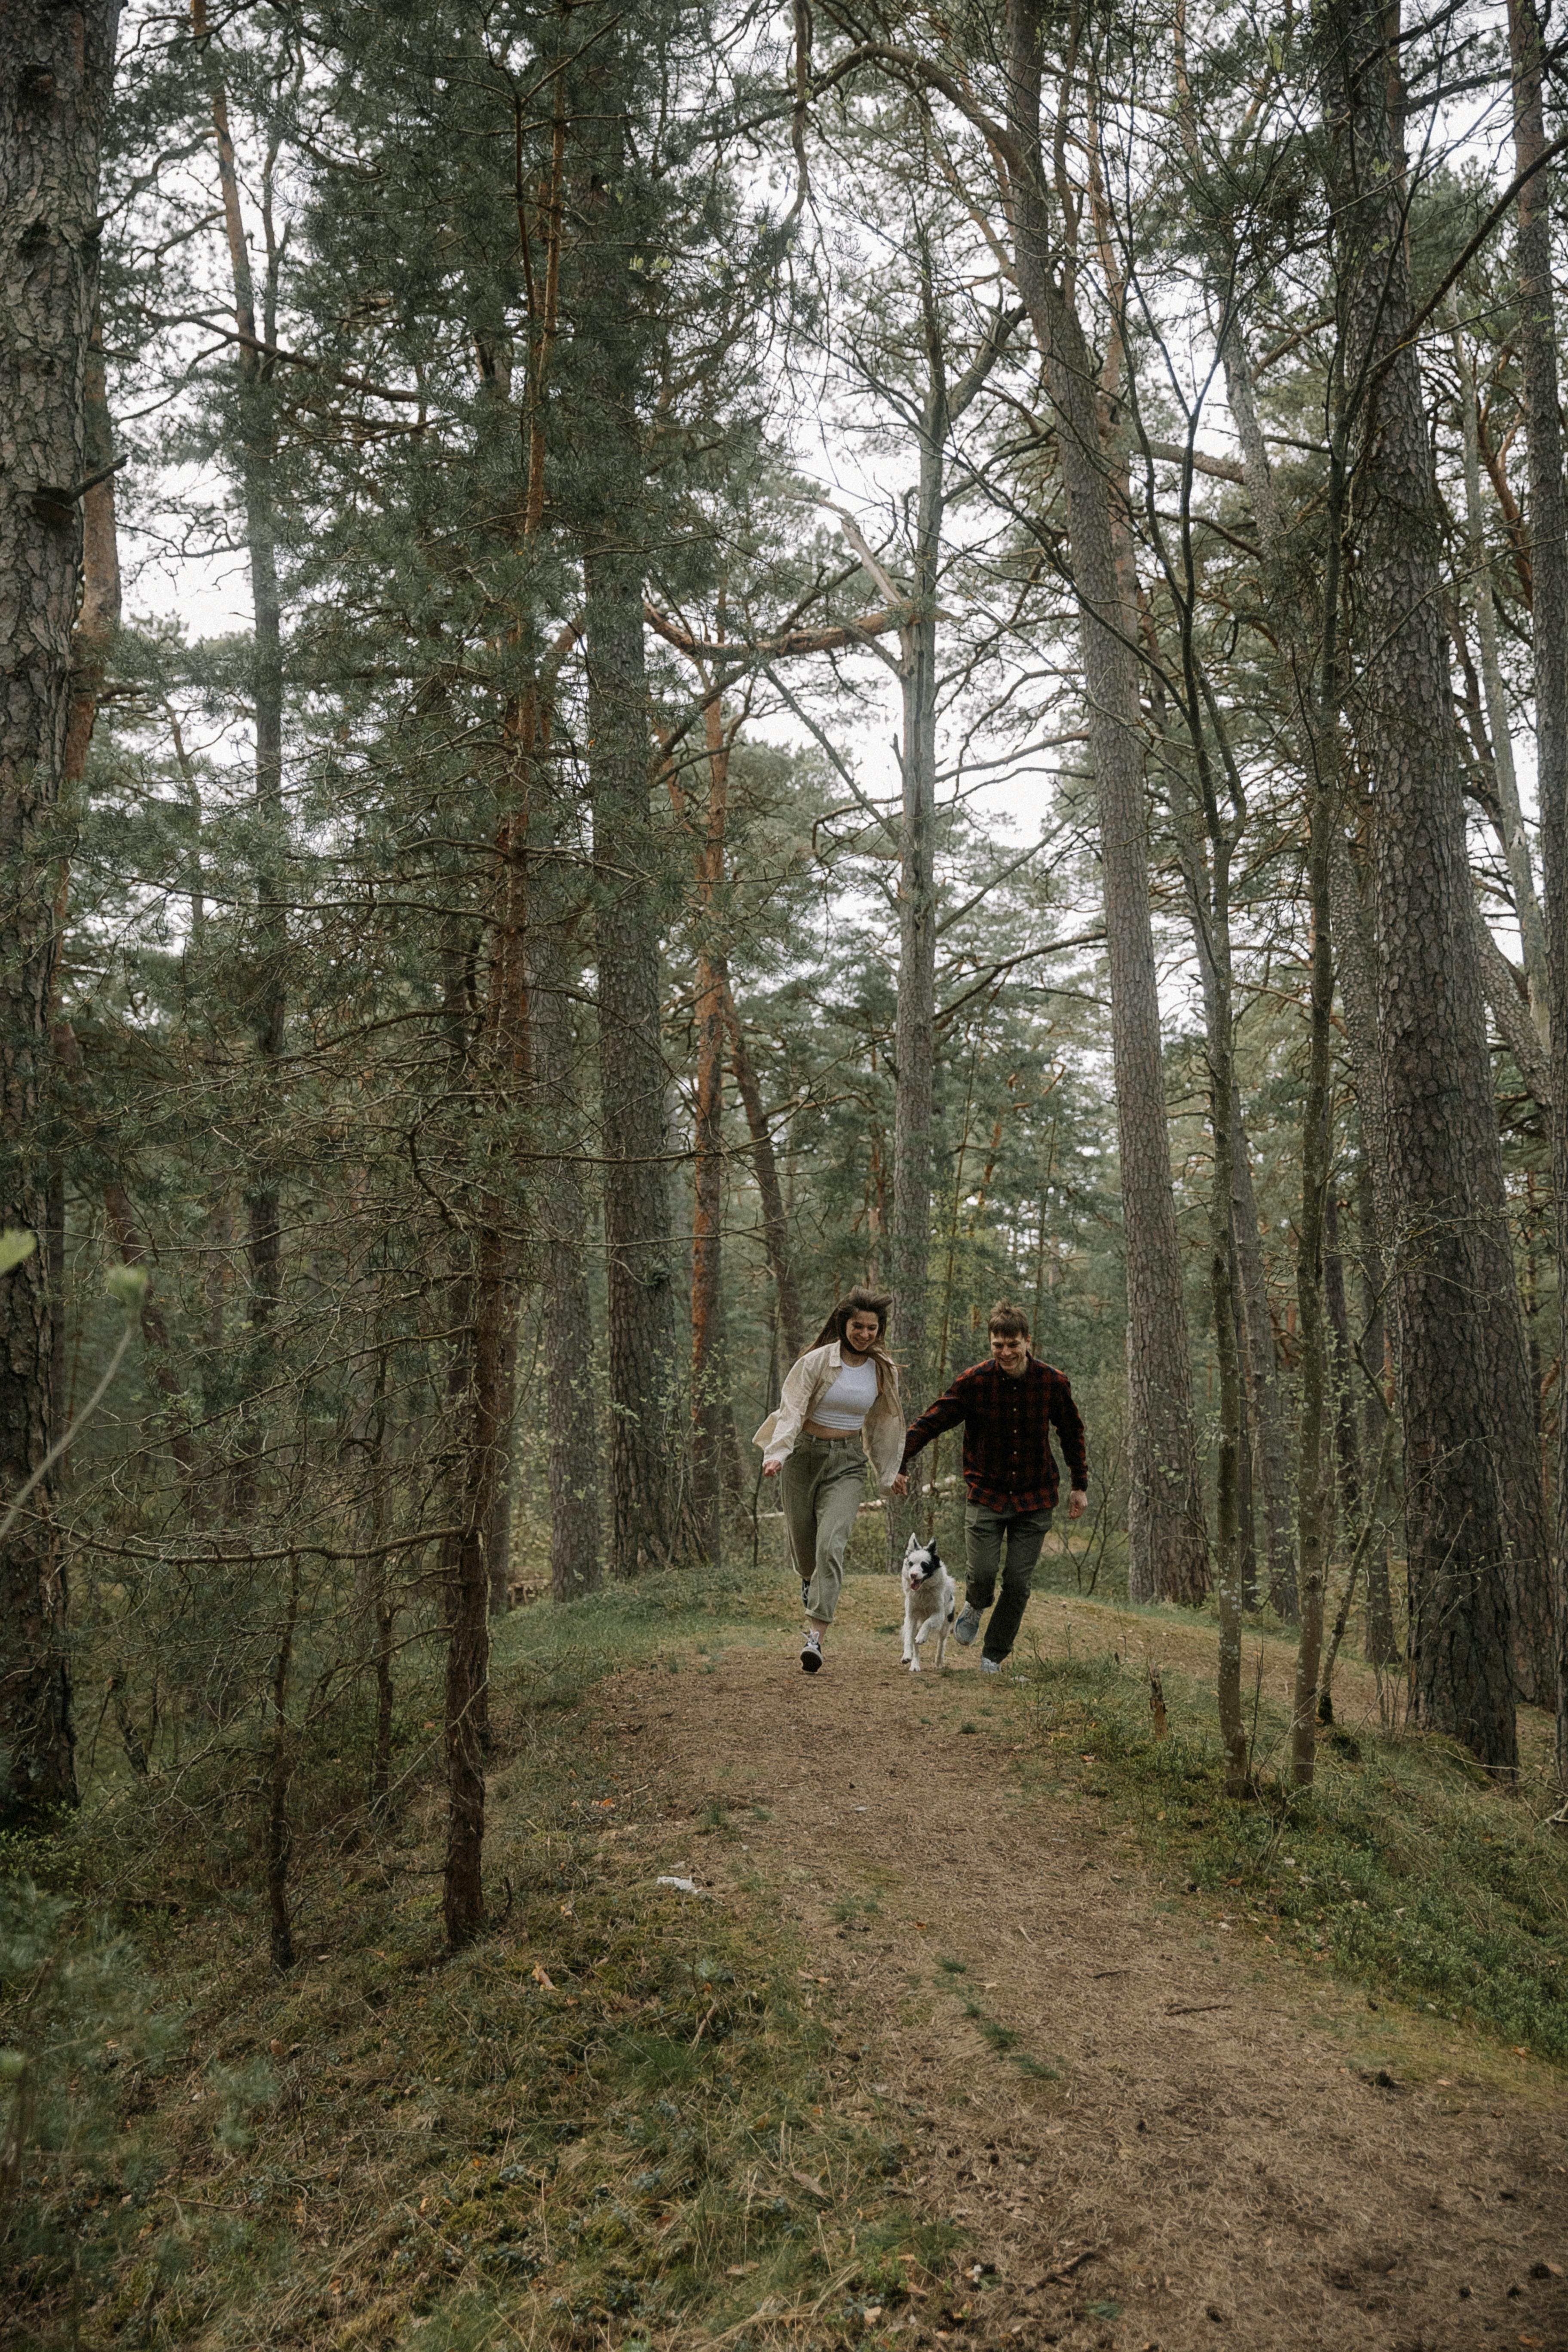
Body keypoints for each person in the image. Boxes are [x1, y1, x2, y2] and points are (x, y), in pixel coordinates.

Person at [899, 1300, 1087, 1673]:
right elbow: (932, 1421)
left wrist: (1079, 1484)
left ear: (1027, 1341)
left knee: (1018, 1582)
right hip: (987, 1493)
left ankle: (993, 1656)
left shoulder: (1052, 1382)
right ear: (990, 1343)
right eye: (998, 1345)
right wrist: (899, 1463)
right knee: (983, 1574)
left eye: (1013, 1344)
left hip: (1036, 1497)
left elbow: (1072, 1432)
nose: (1005, 1353)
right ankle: (975, 1604)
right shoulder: (974, 1382)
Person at [754, 1286, 909, 1673]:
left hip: (847, 1464)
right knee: (806, 1552)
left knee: (831, 1545)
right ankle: (809, 1581)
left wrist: (891, 1473)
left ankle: (815, 1639)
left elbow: (885, 1425)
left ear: (880, 1330)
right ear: (844, 1324)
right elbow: (791, 1410)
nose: (865, 1334)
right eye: (858, 1326)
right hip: (803, 1457)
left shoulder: (882, 1370)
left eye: (872, 1328)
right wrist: (777, 1453)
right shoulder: (817, 1362)